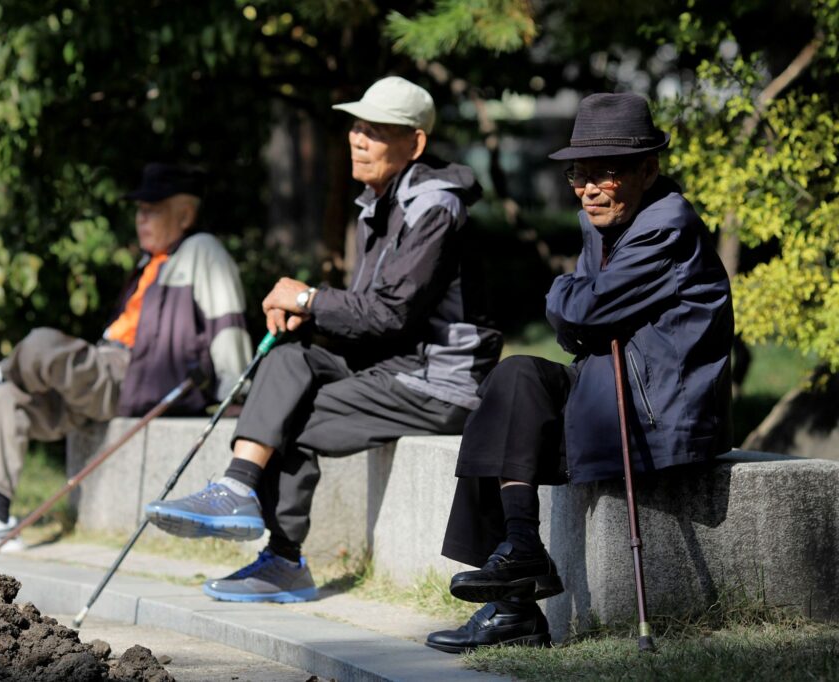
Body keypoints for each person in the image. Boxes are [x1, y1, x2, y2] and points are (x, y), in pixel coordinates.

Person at [144, 76, 502, 603]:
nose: (358, 138)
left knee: (284, 417)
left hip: (440, 381)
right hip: (393, 365)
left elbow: (390, 315)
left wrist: (309, 299)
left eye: (377, 130)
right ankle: (239, 487)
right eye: (357, 126)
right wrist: (307, 320)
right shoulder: (378, 204)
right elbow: (369, 320)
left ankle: (283, 556)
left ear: (415, 144)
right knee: (289, 360)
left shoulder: (434, 208)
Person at [424, 92, 734, 652]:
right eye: (578, 174)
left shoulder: (667, 224)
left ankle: (512, 598)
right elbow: (578, 327)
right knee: (513, 378)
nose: (588, 188)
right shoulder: (604, 222)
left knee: (519, 413)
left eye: (606, 173)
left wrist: (567, 295)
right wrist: (577, 303)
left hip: (656, 415)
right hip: (603, 389)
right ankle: (519, 566)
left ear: (648, 169)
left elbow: (582, 311)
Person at [0, 162, 253, 554]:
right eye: (139, 210)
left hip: (137, 376)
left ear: (184, 214)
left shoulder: (202, 250)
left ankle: (0, 373)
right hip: (108, 370)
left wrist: (236, 391)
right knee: (9, 400)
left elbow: (227, 321)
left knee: (41, 343)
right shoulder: (148, 262)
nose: (141, 218)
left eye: (152, 209)